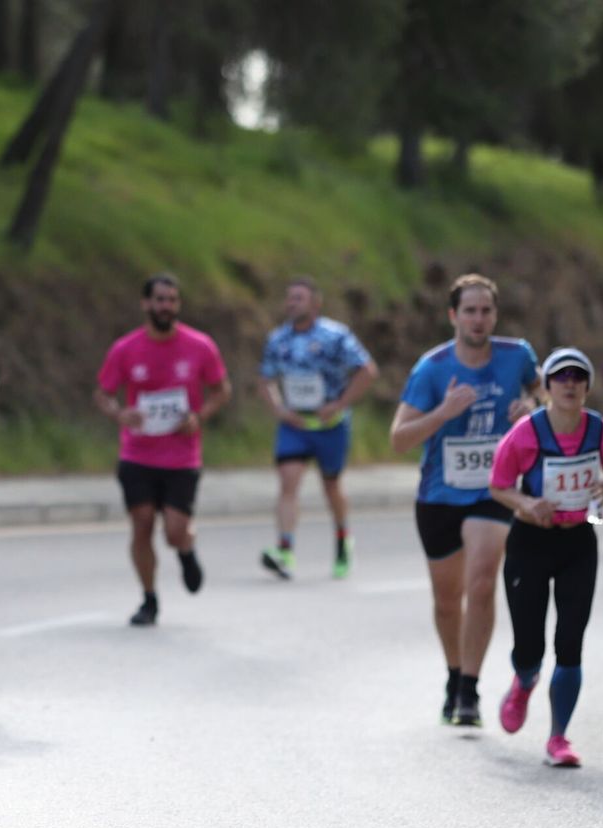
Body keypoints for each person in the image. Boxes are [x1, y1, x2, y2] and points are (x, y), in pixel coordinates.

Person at [389, 273, 540, 727]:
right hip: (439, 494)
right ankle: (454, 675)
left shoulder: (518, 356)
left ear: (495, 314)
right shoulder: (432, 368)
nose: (478, 319)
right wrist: (443, 413)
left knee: (480, 581)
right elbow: (398, 439)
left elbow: (548, 394)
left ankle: (470, 690)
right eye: (469, 311)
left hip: (494, 490)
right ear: (453, 316)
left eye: (486, 310)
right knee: (447, 598)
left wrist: (532, 404)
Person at [94, 272, 231, 626]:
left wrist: (199, 417)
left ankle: (186, 549)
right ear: (145, 304)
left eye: (172, 300)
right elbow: (103, 393)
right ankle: (149, 599)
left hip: (182, 456)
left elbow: (221, 390)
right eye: (159, 299)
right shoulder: (126, 349)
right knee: (141, 524)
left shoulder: (200, 346)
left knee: (173, 530)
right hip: (137, 454)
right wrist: (120, 414)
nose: (165, 306)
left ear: (178, 305)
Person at [487, 348, 601, 767]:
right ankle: (525, 680)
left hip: (578, 544)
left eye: (578, 376)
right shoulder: (525, 433)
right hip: (530, 544)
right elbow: (499, 485)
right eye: (561, 376)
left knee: (570, 644)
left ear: (587, 387)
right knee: (530, 646)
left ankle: (559, 738)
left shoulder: (598, 430)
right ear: (548, 386)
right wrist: (525, 503)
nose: (569, 383)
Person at [256, 277, 380, 580]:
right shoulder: (278, 339)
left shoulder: (335, 335)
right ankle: (284, 550)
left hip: (330, 424)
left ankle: (342, 540)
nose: (292, 303)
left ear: (315, 303)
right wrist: (278, 409)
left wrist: (340, 404)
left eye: (299, 298)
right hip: (295, 424)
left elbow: (367, 370)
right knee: (289, 481)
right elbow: (265, 378)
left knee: (331, 485)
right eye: (289, 298)